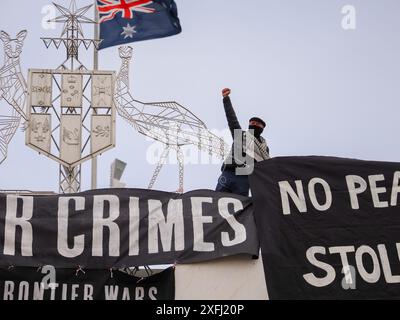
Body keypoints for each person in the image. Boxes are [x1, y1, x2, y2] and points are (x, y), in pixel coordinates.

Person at [215, 88, 270, 196]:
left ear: (262, 128)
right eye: (252, 123)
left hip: (245, 179)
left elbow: (267, 167)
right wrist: (226, 99)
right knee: (216, 202)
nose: (253, 125)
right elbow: (231, 119)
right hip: (229, 172)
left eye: (257, 124)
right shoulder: (240, 135)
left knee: (240, 207)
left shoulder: (265, 149)